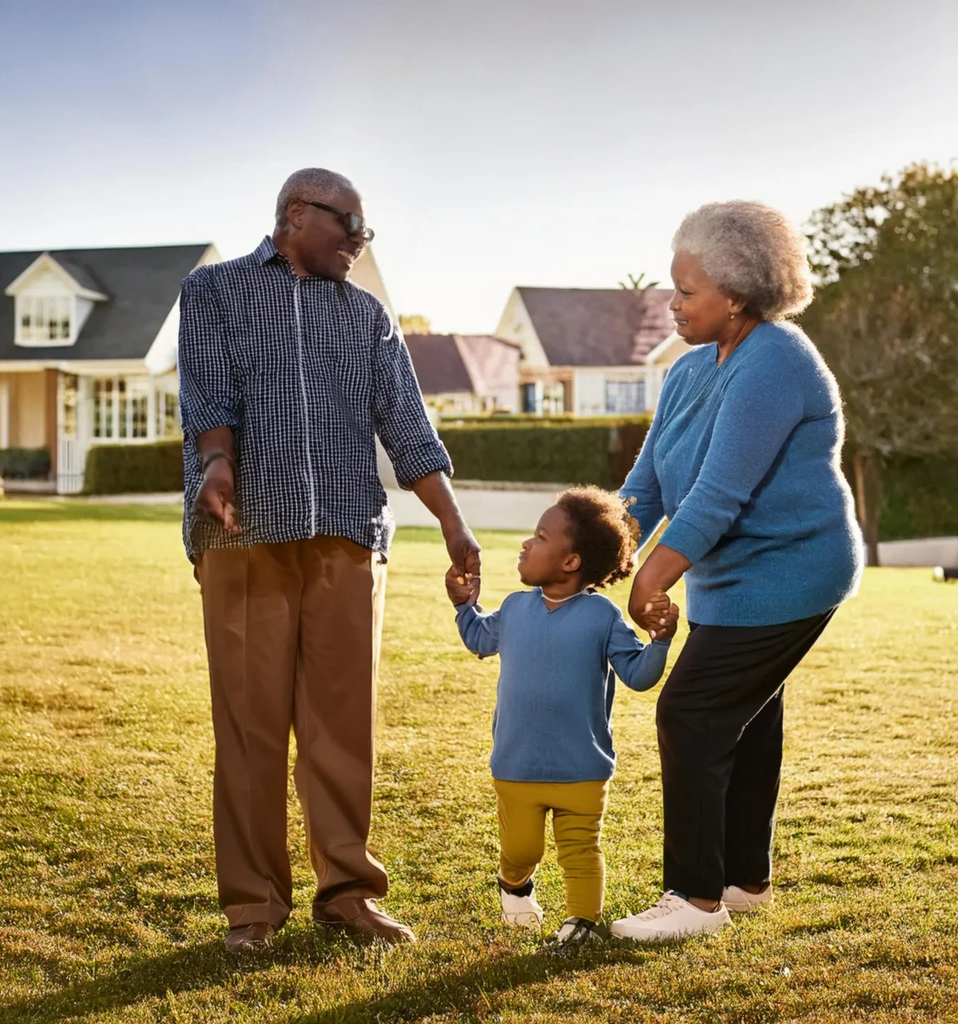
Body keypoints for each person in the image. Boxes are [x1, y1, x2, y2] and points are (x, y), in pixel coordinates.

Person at [178, 167, 481, 952]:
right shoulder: (214, 292)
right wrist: (217, 461)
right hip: (246, 535)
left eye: (364, 229)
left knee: (342, 728)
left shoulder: (368, 317)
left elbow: (408, 428)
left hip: (348, 539)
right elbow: (208, 398)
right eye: (348, 223)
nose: (359, 240)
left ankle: (347, 893)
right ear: (293, 217)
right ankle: (253, 909)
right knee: (250, 728)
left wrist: (452, 522)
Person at [608, 201, 863, 943]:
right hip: (731, 582)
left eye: (687, 292)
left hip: (792, 574)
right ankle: (742, 880)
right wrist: (592, 547)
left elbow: (719, 495)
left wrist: (650, 578)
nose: (672, 304)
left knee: (690, 712)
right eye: (673, 287)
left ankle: (693, 899)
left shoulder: (778, 363)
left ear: (740, 295)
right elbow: (647, 484)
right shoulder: (690, 371)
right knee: (745, 720)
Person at [446, 487, 675, 954]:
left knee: (581, 853)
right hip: (517, 765)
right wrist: (464, 605)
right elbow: (477, 639)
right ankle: (514, 884)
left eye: (539, 536)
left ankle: (582, 924)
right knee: (523, 851)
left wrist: (659, 642)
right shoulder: (513, 608)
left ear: (570, 562)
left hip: (582, 768)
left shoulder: (602, 617)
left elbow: (637, 675)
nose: (526, 545)